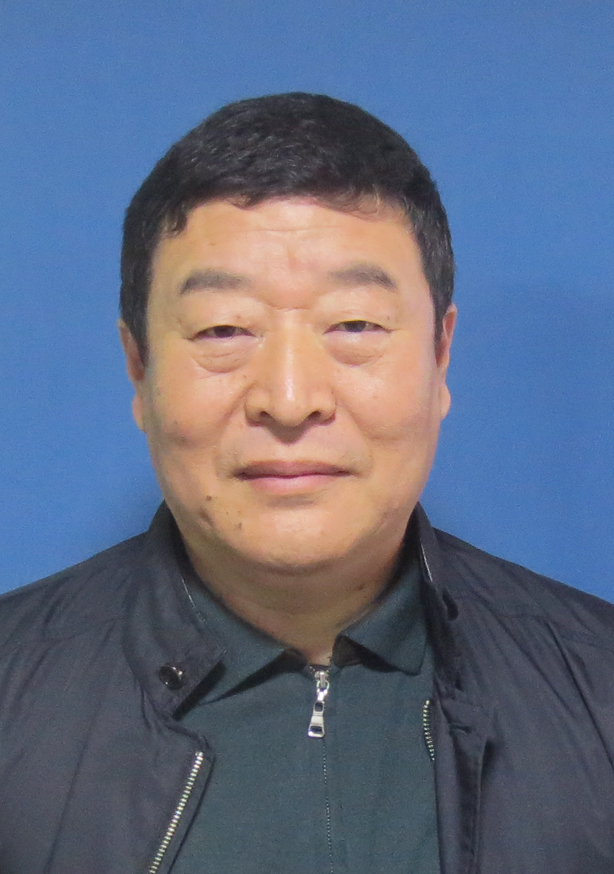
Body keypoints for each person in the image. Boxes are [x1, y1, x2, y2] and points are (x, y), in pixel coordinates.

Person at [1, 93, 613, 874]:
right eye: (224, 329)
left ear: (440, 358)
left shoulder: (597, 686)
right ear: (138, 369)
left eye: (354, 325)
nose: (289, 400)